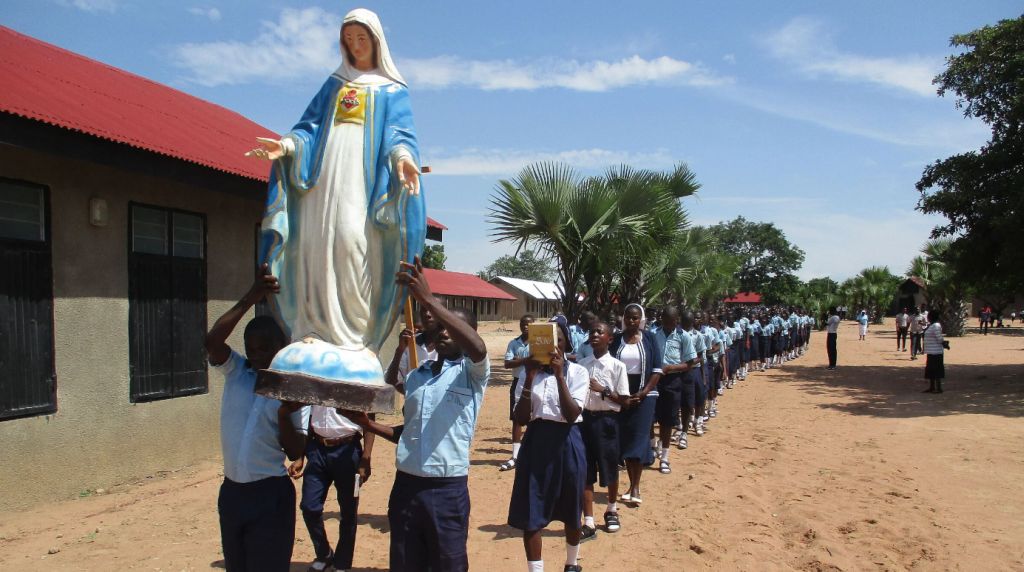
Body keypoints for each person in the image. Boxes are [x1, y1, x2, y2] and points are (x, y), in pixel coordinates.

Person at [249, 8, 425, 384]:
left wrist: (404, 160)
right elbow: (308, 129)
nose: (355, 46)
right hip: (324, 179)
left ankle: (356, 339)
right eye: (349, 40)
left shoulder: (392, 89)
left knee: (351, 241)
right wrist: (286, 146)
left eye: (362, 39)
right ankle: (314, 328)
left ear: (376, 42)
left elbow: (400, 136)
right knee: (317, 244)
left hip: (362, 183)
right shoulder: (334, 83)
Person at [341, 258, 489, 572]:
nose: (446, 332)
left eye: (454, 328)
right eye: (442, 327)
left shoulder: (472, 374)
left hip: (446, 490)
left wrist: (430, 300)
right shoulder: (417, 376)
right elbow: (407, 433)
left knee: (448, 565)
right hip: (406, 488)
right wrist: (366, 424)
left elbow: (478, 348)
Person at [205, 265, 310, 571]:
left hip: (270, 496)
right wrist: (251, 297)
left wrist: (284, 413)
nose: (258, 355)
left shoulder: (293, 389)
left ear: (282, 348)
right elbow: (212, 342)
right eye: (251, 349)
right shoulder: (237, 372)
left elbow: (296, 451)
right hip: (232, 494)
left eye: (265, 349)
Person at [509, 315, 590, 572]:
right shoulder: (529, 374)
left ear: (566, 344)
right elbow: (521, 418)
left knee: (571, 506)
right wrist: (529, 378)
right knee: (531, 509)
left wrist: (559, 376)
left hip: (568, 441)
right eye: (543, 341)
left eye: (558, 340)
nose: (552, 346)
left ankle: (571, 563)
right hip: (536, 441)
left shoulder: (578, 372)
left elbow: (572, 414)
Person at [290, 404, 374, 572]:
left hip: (348, 450)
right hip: (317, 450)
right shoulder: (316, 386)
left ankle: (342, 562)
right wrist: (301, 455)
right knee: (309, 506)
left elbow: (369, 417)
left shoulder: (357, 386)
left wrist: (366, 457)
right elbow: (309, 416)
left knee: (348, 511)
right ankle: (324, 554)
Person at [578, 322, 629, 540]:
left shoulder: (618, 366)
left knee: (609, 466)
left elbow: (624, 401)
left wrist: (604, 390)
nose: (595, 334)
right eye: (592, 332)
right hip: (585, 421)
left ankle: (611, 509)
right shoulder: (582, 365)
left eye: (600, 332)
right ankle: (588, 520)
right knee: (585, 470)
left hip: (607, 421)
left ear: (610, 339)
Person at [611, 304, 663, 505]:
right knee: (625, 438)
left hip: (645, 394)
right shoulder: (616, 339)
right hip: (622, 394)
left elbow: (657, 369)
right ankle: (631, 485)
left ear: (641, 319)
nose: (631, 321)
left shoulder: (649, 338)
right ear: (623, 318)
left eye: (635, 318)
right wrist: (619, 396)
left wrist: (643, 392)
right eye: (628, 317)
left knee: (639, 439)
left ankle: (635, 487)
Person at [651, 306, 695, 474]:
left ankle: (665, 457)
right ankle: (653, 446)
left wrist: (670, 367)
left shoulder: (684, 336)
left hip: (673, 380)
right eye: (666, 320)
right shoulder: (654, 334)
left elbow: (689, 363)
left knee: (668, 420)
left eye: (672, 321)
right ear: (661, 319)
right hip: (654, 379)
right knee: (651, 416)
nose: (669, 324)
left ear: (677, 320)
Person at [500, 314, 535, 472]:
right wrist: (526, 360)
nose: (525, 326)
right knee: (516, 418)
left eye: (528, 324)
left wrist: (518, 360)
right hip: (517, 382)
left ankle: (532, 453)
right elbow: (507, 363)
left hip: (535, 381)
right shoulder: (513, 343)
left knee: (535, 417)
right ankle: (515, 455)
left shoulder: (538, 342)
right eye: (522, 323)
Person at [922, 306, 948, 394]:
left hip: (936, 352)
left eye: (929, 316)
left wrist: (945, 344)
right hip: (931, 351)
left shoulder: (936, 326)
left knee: (937, 370)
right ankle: (932, 387)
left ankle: (939, 388)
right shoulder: (932, 325)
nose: (928, 317)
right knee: (931, 370)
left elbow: (939, 338)